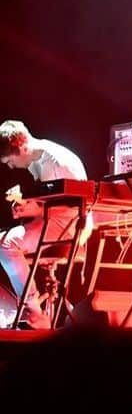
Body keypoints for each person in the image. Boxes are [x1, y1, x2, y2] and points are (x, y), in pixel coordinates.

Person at [0, 119, 93, 328]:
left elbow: (69, 206)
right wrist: (28, 206)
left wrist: (32, 208)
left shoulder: (55, 163)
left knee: (5, 244)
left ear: (22, 146)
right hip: (58, 218)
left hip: (71, 224)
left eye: (9, 161)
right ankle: (31, 308)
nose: (10, 166)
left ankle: (32, 310)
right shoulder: (37, 161)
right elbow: (50, 203)